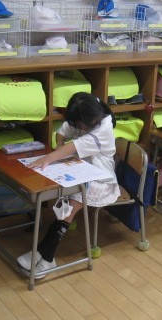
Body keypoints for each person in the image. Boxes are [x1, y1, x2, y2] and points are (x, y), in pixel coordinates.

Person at [16, 92, 119, 279]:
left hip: (101, 179)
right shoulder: (88, 113)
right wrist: (59, 144)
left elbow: (73, 147)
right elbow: (62, 132)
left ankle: (40, 253)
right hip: (81, 171)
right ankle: (46, 257)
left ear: (91, 121)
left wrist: (48, 158)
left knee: (70, 206)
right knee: (66, 205)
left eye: (78, 125)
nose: (76, 127)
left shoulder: (102, 128)